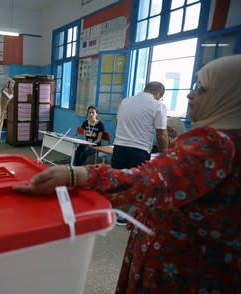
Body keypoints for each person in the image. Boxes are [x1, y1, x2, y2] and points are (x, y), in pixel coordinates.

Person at [13, 55, 241, 293]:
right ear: (158, 93)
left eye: (201, 88)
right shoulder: (231, 140)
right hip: (213, 263)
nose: (190, 94)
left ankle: (119, 216)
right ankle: (121, 217)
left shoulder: (214, 143)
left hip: (181, 263)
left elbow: (150, 183)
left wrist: (76, 175)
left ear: (229, 95)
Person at [111, 81, 168, 225]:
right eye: (161, 97)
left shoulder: (125, 101)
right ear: (158, 93)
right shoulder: (158, 105)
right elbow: (161, 134)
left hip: (119, 146)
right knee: (134, 183)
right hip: (139, 150)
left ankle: (112, 210)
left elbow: (118, 124)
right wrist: (165, 154)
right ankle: (122, 216)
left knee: (117, 180)